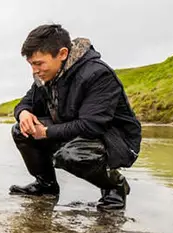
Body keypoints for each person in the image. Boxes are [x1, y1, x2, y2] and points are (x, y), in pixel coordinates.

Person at [9, 24, 142, 210]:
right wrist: (23, 113)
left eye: (39, 63)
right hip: (74, 129)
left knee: (72, 155)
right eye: (31, 64)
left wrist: (46, 132)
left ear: (62, 54)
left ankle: (114, 187)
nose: (34, 70)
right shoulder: (45, 76)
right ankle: (46, 186)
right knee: (20, 130)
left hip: (115, 141)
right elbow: (26, 103)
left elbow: (92, 126)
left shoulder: (98, 74)